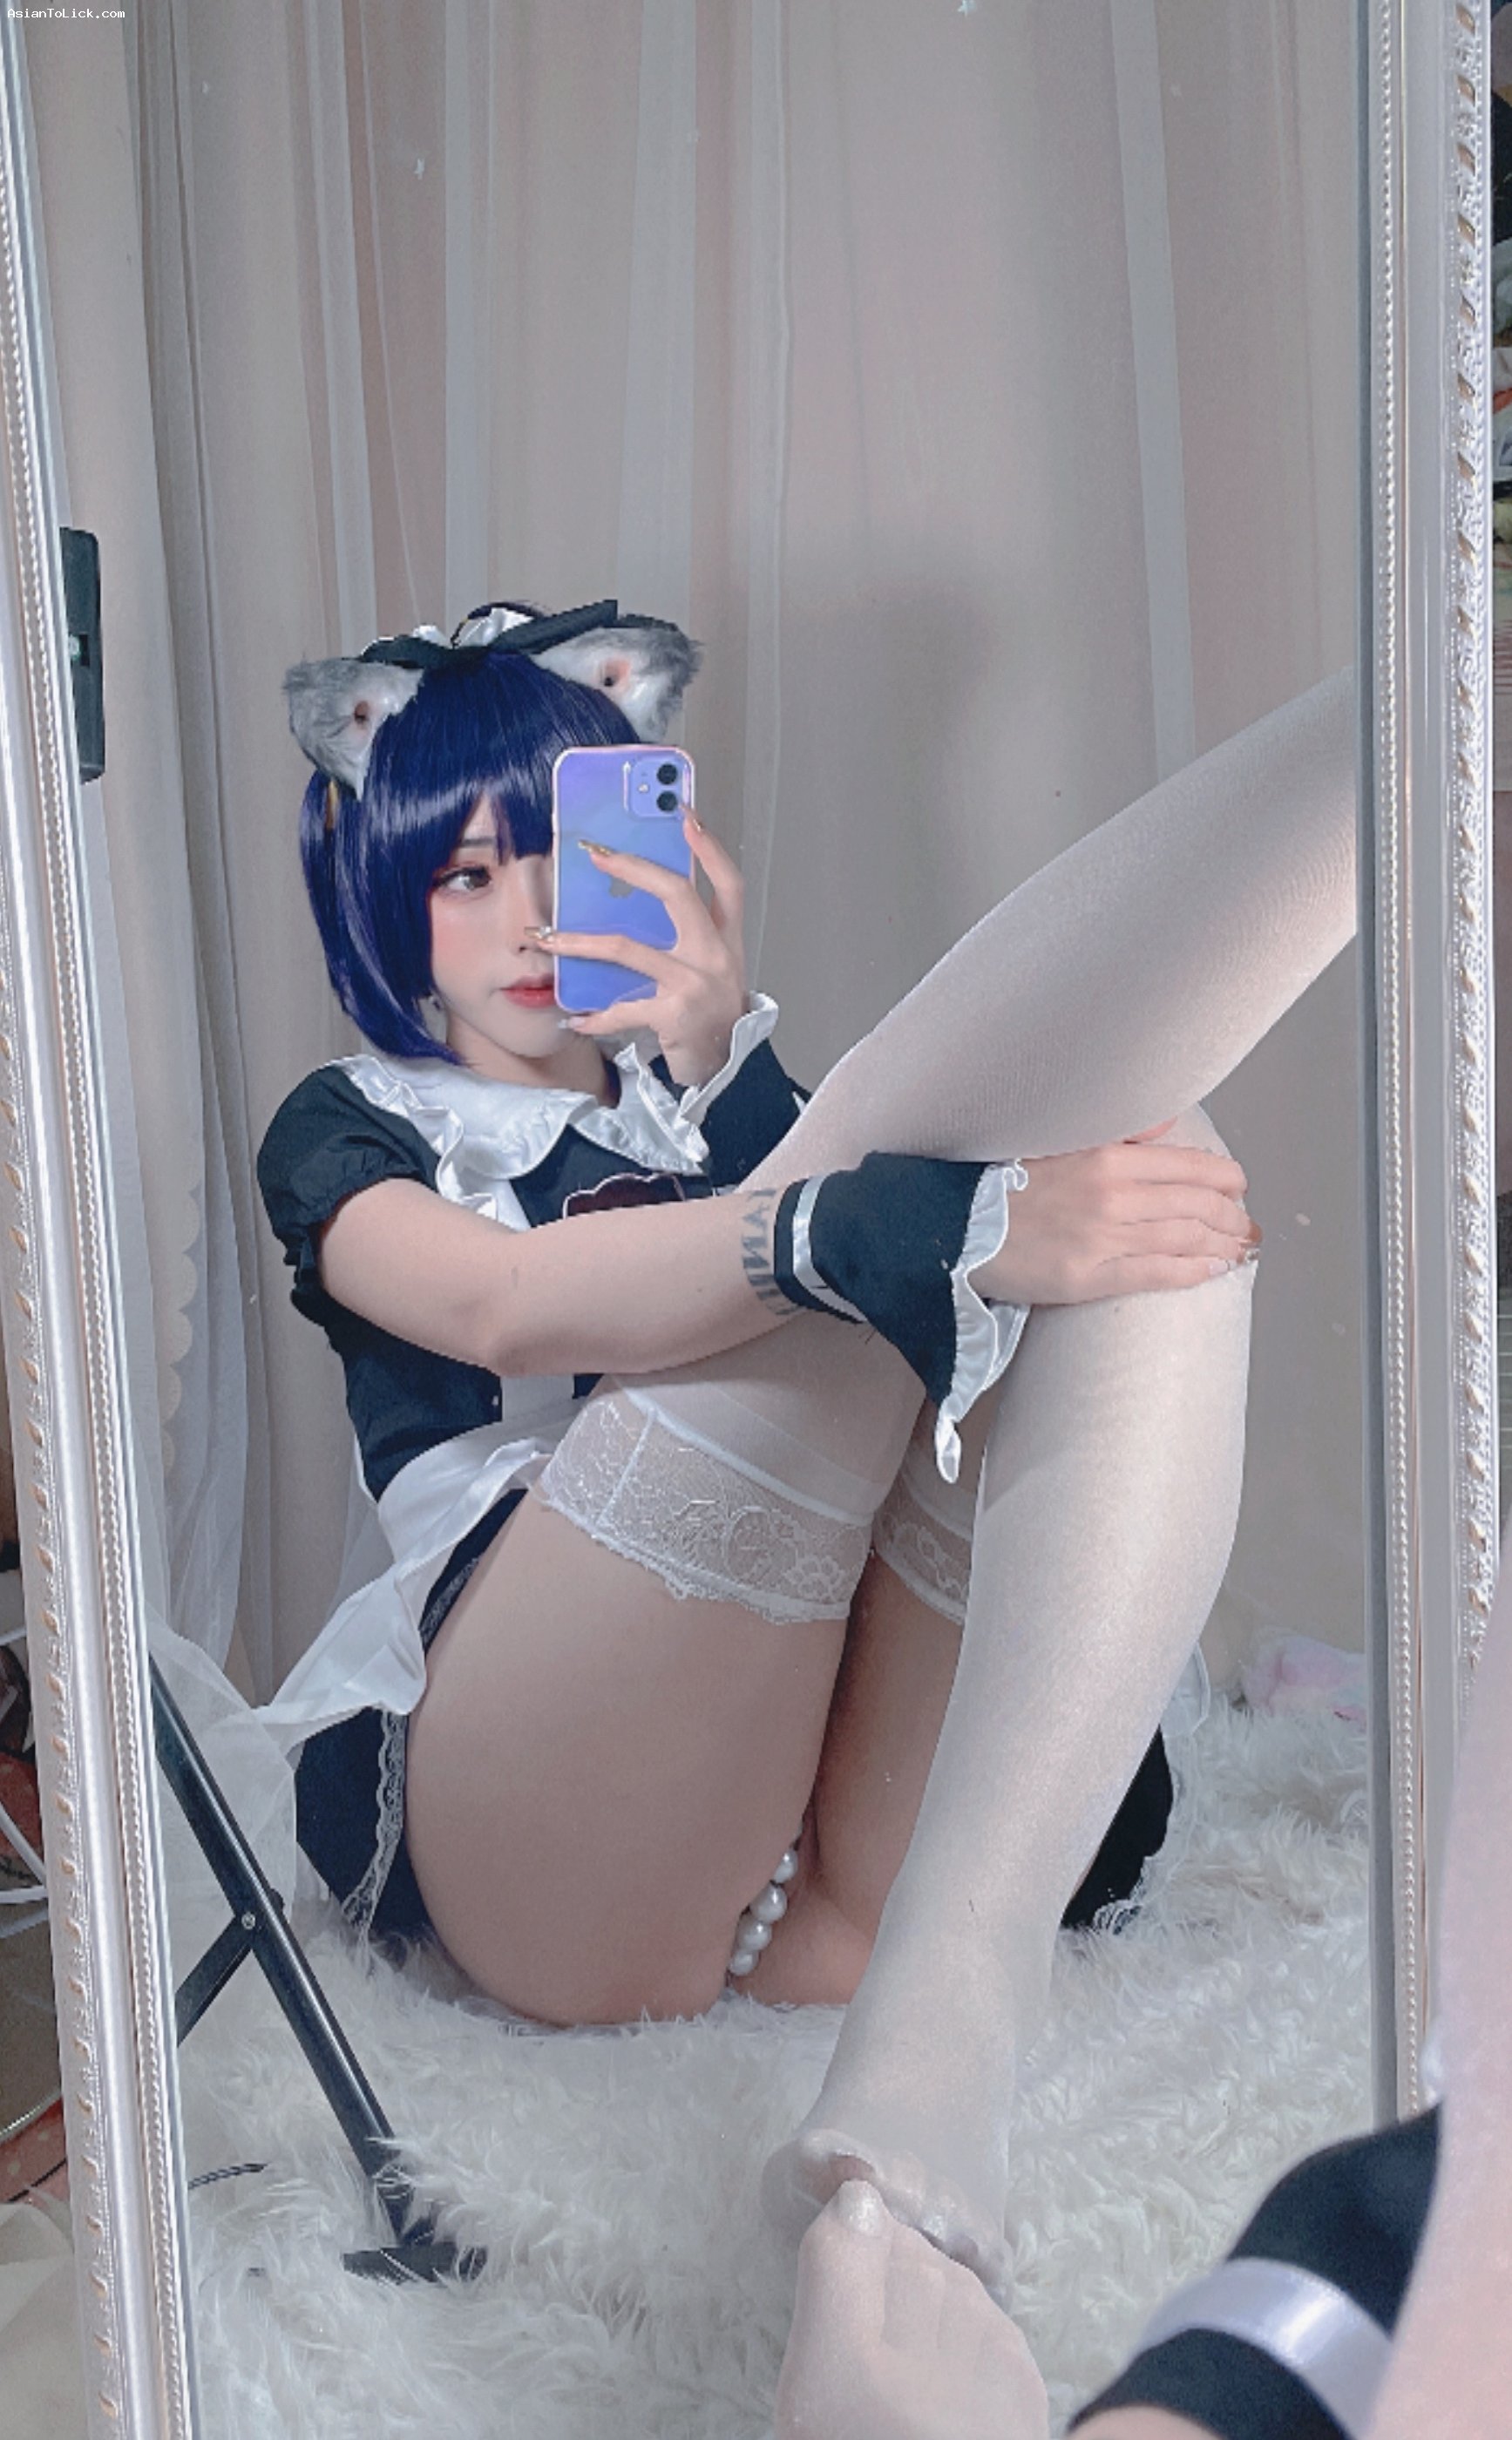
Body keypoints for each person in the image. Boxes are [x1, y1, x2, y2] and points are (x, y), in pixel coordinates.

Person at [256, 597, 1355, 2324]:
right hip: (554, 1837)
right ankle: (1414, 700)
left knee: (1128, 1141)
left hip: (832, 1886)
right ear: (379, 890)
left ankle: (953, 1993)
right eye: (466, 872)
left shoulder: (728, 1105)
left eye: (567, 855)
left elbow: (902, 1222)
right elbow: (503, 1302)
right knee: (946, 1190)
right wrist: (864, 1226)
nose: (531, 914)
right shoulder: (354, 1129)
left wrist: (717, 1060)